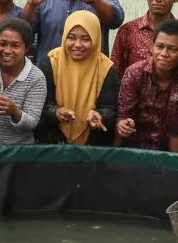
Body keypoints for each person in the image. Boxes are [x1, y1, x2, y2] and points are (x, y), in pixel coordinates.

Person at [115, 19, 178, 155]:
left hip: (171, 150)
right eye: (160, 47)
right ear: (152, 46)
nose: (164, 54)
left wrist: (173, 163)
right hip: (134, 151)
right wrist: (123, 124)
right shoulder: (135, 73)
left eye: (173, 49)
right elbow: (124, 115)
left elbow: (177, 128)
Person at [39, 13, 118, 145]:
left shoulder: (107, 68)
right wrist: (57, 112)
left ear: (96, 39)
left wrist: (100, 115)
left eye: (86, 39)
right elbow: (41, 104)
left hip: (92, 146)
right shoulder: (51, 61)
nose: (77, 45)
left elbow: (110, 108)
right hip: (53, 141)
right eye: (71, 38)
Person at [0, 19, 46, 146]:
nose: (7, 50)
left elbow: (32, 122)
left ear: (26, 48)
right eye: (2, 43)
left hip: (21, 152)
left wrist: (14, 112)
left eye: (15, 46)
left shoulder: (36, 78)